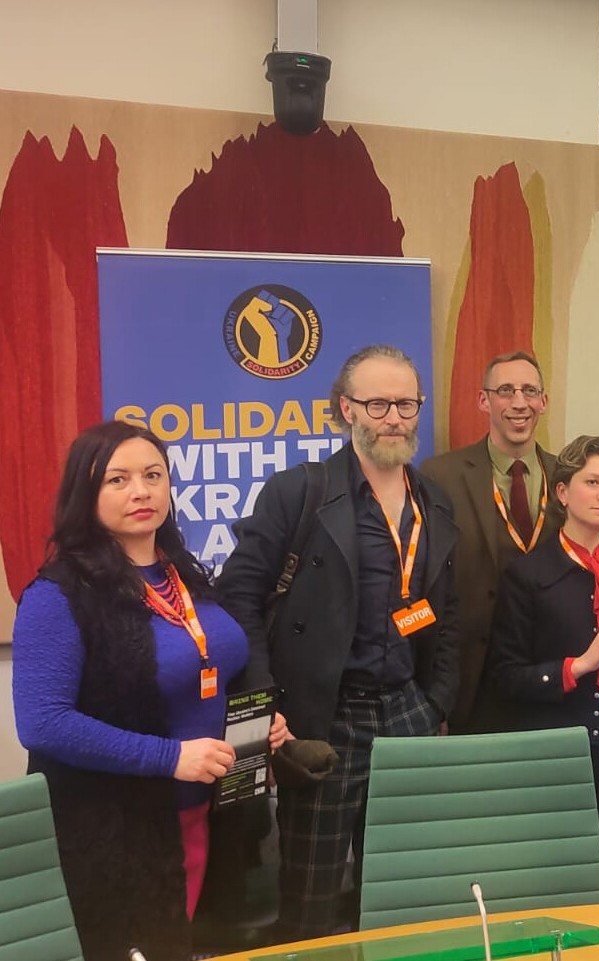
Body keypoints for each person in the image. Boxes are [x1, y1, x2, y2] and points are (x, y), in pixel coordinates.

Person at [12, 420, 287, 961]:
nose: (141, 491)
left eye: (153, 475)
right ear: (85, 494)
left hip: (202, 814)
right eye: (118, 479)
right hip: (115, 828)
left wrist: (255, 728)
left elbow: (207, 674)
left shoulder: (184, 576)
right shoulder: (58, 594)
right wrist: (170, 757)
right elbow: (43, 723)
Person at [219, 344, 460, 938]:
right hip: (324, 719)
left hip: (408, 711)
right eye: (377, 404)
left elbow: (447, 612)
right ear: (346, 409)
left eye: (406, 404)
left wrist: (436, 702)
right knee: (311, 900)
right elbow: (239, 599)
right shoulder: (297, 492)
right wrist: (266, 704)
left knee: (400, 893)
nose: (394, 418)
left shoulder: (434, 502)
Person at [486, 435, 599, 901]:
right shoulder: (528, 575)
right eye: (593, 482)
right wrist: (578, 665)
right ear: (562, 492)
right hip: (559, 751)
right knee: (561, 877)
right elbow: (504, 676)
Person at [420, 350, 561, 731]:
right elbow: (424, 583)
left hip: (551, 674)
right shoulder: (440, 476)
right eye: (505, 391)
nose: (519, 402)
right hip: (471, 677)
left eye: (529, 391)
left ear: (544, 401)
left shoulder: (568, 475)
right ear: (484, 401)